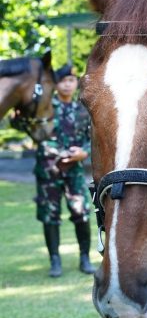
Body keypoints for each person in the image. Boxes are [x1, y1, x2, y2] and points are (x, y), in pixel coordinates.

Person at [34, 64, 95, 278]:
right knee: (50, 216)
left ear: (76, 82)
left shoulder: (83, 109)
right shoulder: (45, 108)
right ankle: (55, 260)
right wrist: (60, 152)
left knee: (82, 213)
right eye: (63, 80)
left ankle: (85, 258)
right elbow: (38, 136)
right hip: (49, 170)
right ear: (57, 84)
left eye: (71, 80)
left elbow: (92, 138)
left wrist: (84, 153)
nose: (67, 84)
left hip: (75, 171)